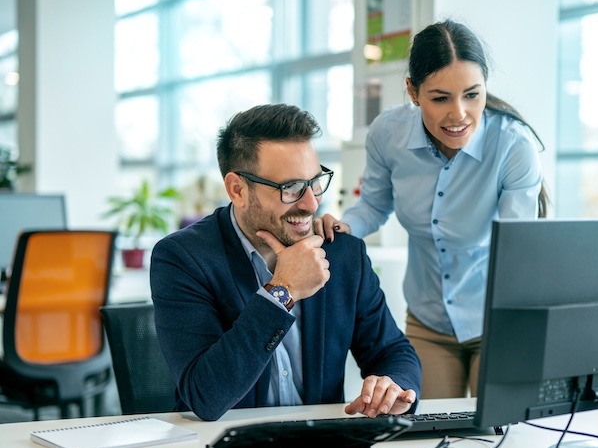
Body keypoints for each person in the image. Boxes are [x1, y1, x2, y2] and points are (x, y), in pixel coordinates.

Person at [316, 19, 547, 399]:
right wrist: (339, 227)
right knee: (430, 437)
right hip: (427, 321)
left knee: (503, 437)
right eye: (440, 98)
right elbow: (373, 206)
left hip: (498, 317)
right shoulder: (387, 133)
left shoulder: (511, 145)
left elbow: (517, 249)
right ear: (412, 91)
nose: (459, 114)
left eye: (472, 95)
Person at [150, 103, 422, 421]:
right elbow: (206, 396)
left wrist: (393, 385)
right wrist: (283, 290)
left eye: (315, 182)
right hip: (222, 445)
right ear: (237, 190)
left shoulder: (342, 253)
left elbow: (393, 351)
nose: (311, 203)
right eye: (290, 188)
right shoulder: (183, 258)